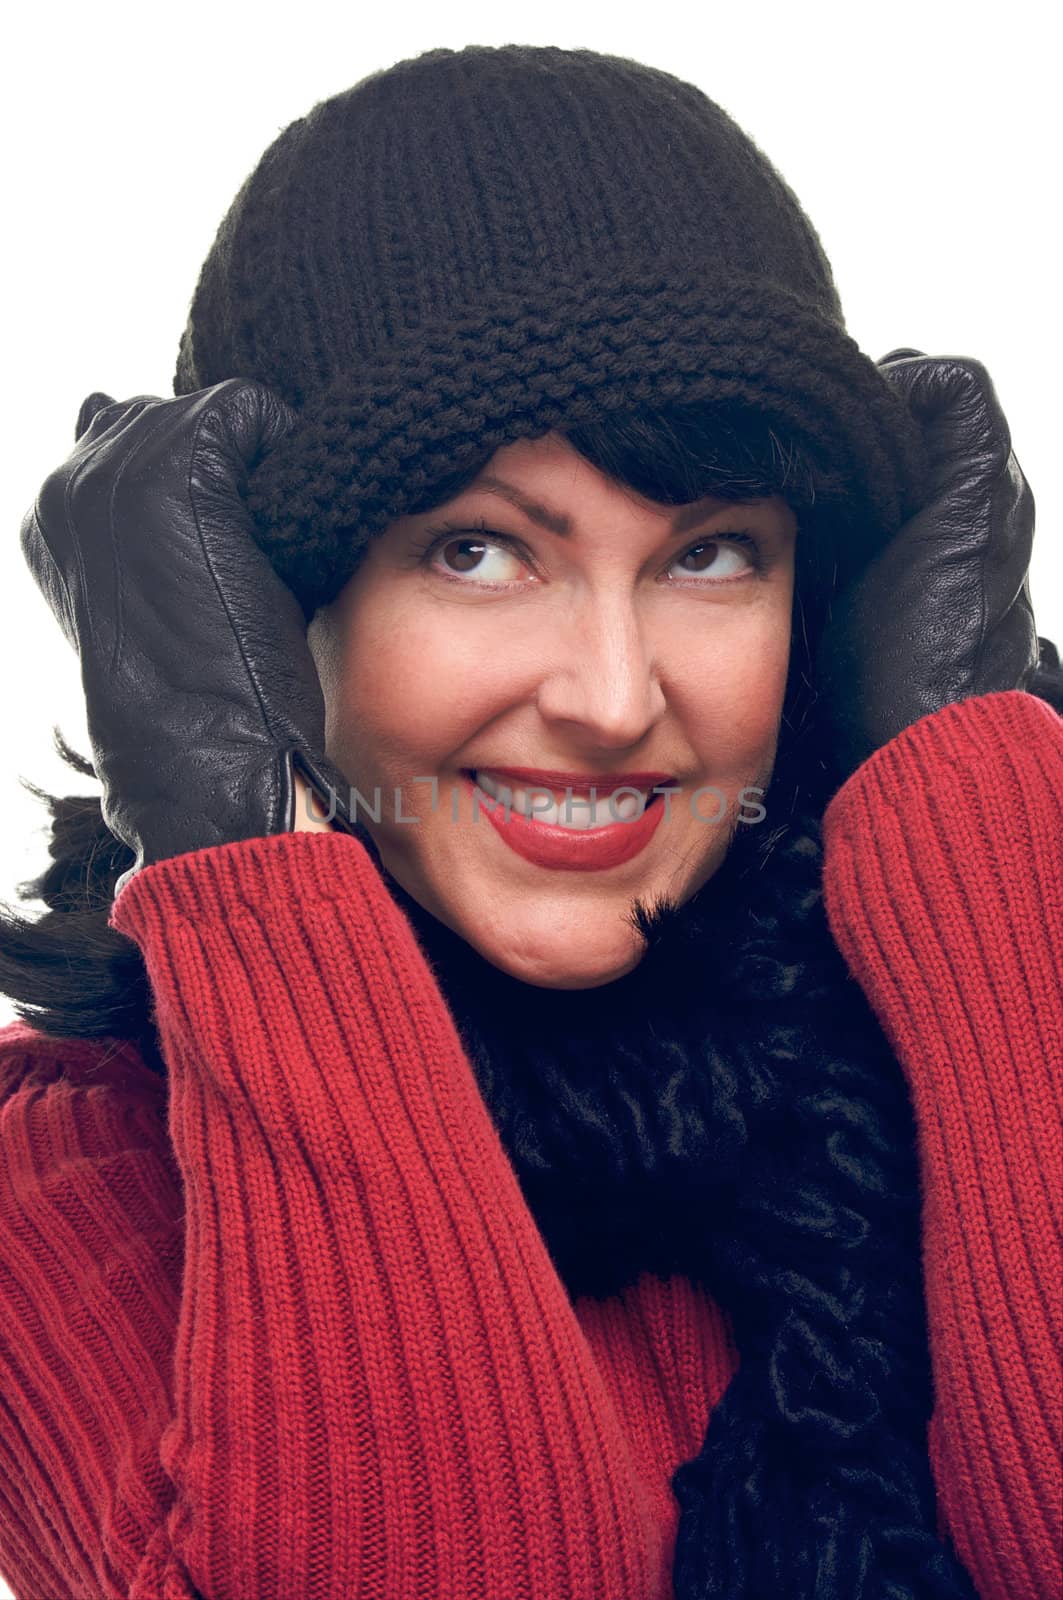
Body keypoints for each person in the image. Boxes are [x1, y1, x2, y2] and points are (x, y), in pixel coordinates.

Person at [0, 42, 1060, 1600]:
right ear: (273, 606)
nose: (616, 697)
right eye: (480, 552)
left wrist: (972, 793)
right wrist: (241, 855)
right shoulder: (69, 1179)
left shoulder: (996, 1029)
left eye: (711, 556)